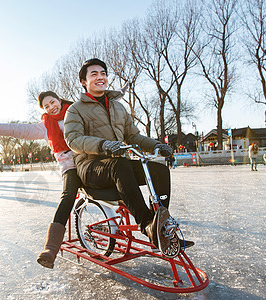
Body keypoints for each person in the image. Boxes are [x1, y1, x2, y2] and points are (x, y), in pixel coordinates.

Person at [0, 89, 125, 269]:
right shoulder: (46, 125)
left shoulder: (76, 110)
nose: (51, 107)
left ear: (59, 100)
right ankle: (50, 248)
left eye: (52, 102)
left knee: (113, 183)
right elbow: (21, 130)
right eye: (46, 106)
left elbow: (99, 110)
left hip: (90, 159)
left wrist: (115, 95)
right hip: (70, 166)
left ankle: (116, 225)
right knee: (68, 196)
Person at [64, 58, 193, 254]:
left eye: (103, 73)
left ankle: (161, 225)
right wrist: (104, 145)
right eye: (94, 74)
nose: (100, 77)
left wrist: (157, 145)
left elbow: (132, 135)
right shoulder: (76, 109)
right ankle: (147, 225)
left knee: (158, 170)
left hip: (117, 163)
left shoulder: (118, 107)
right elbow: (73, 139)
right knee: (120, 166)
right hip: (90, 167)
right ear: (84, 81)